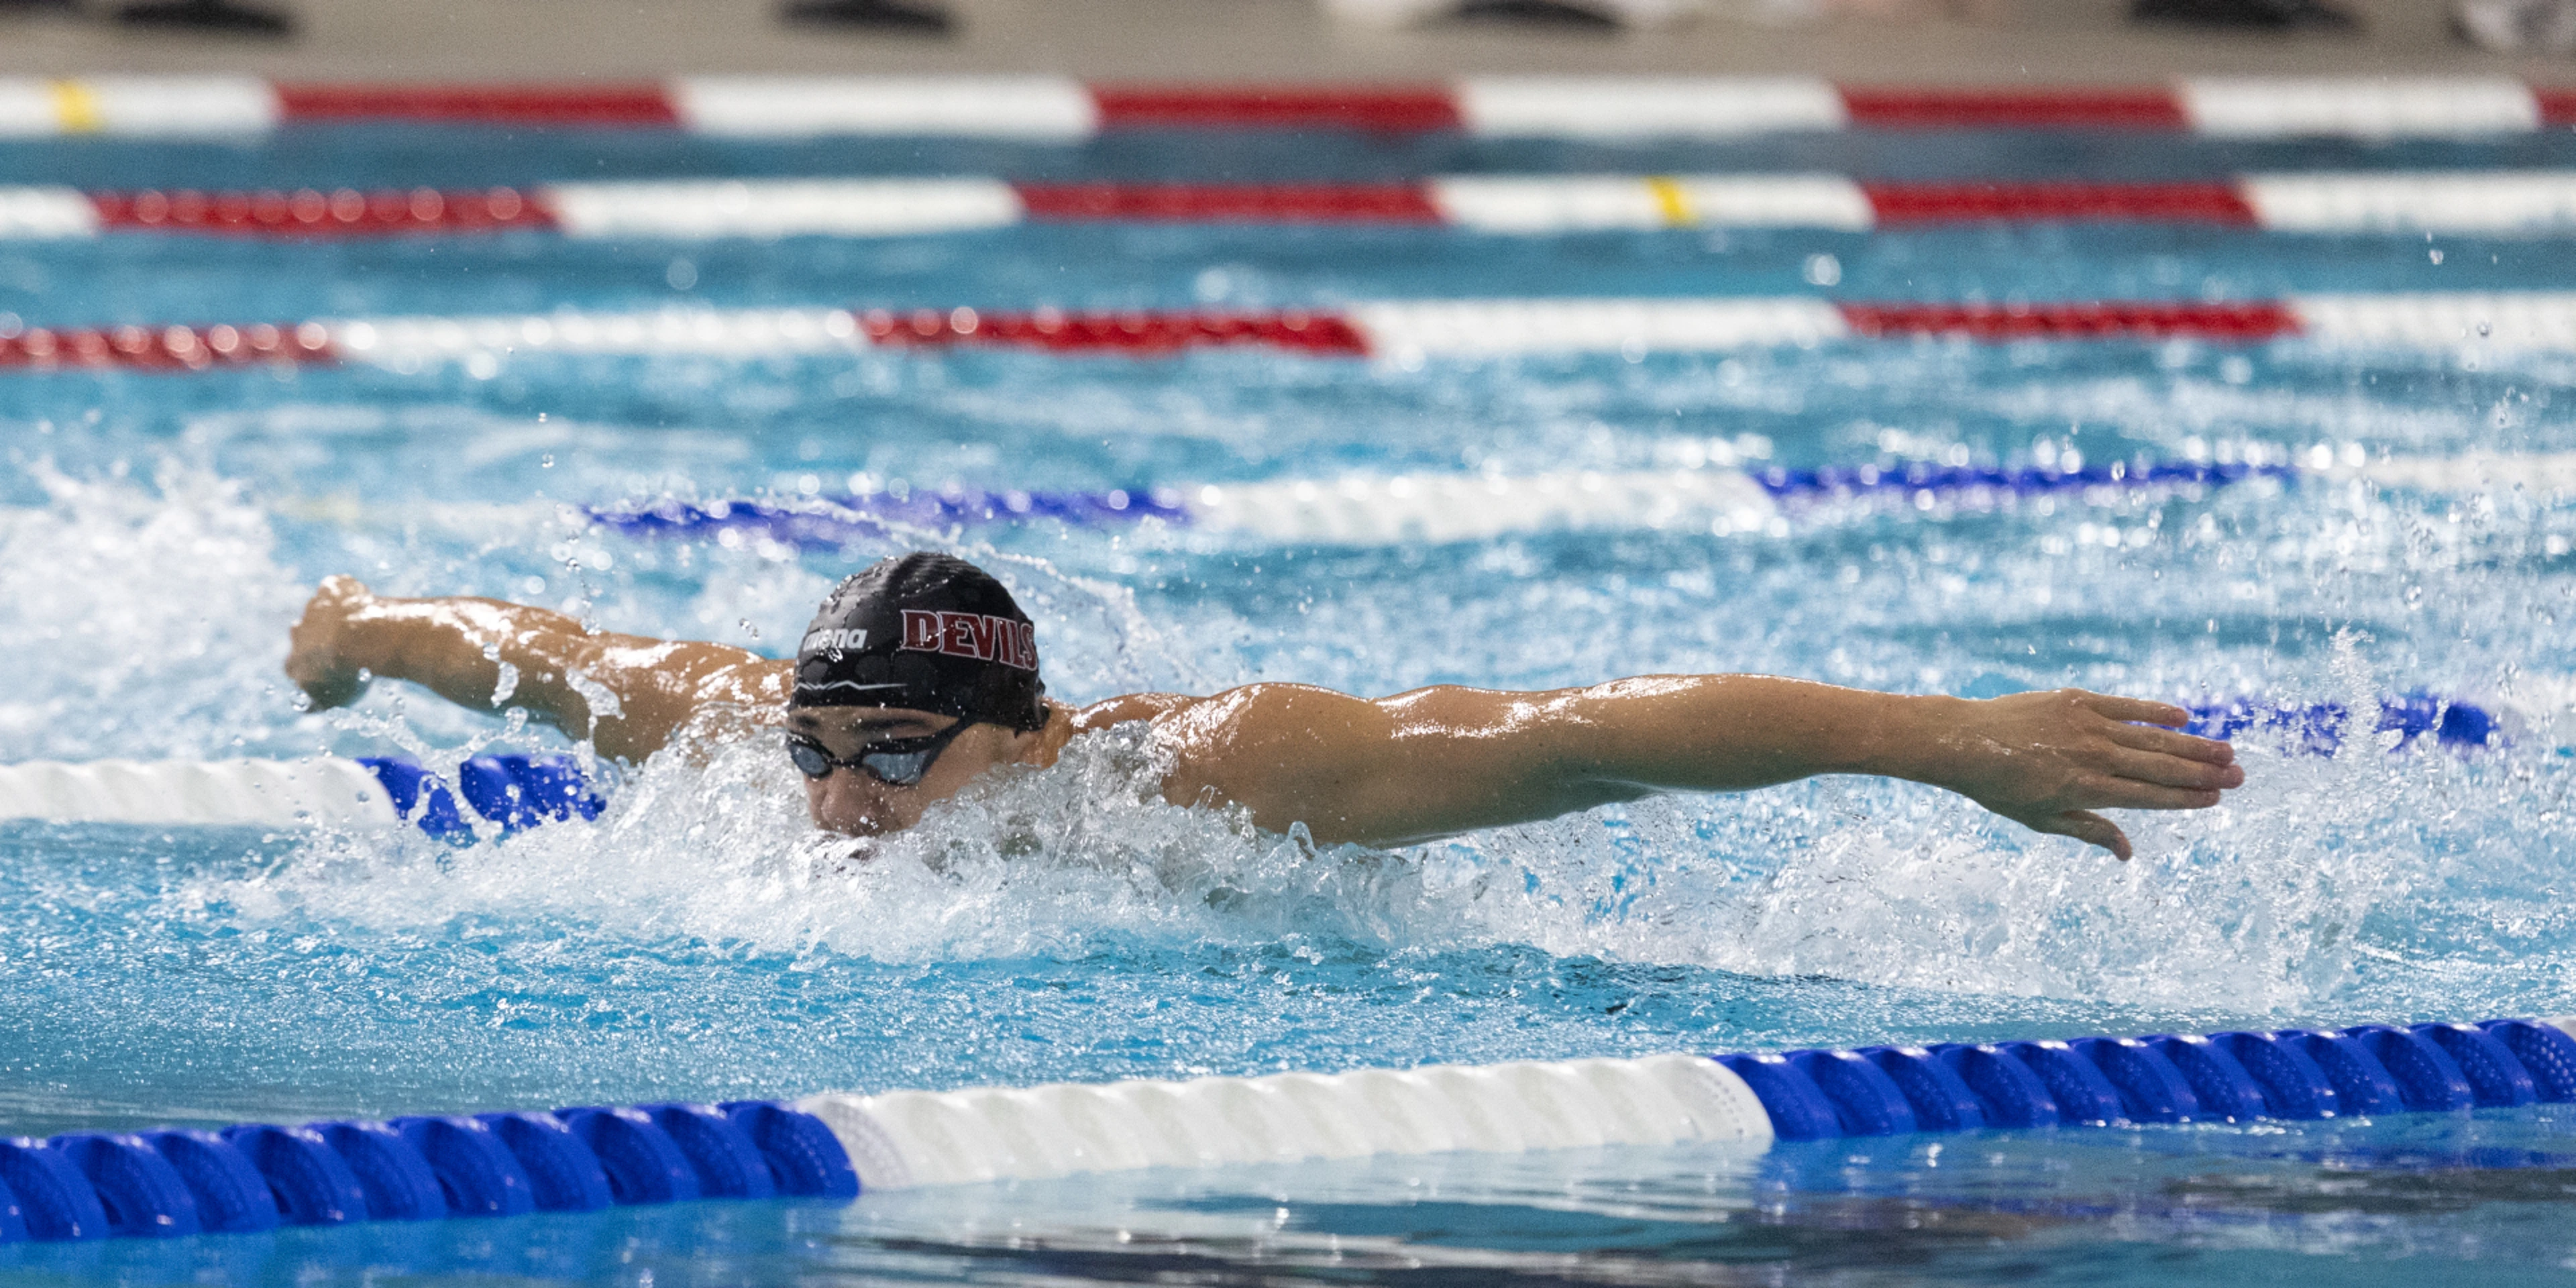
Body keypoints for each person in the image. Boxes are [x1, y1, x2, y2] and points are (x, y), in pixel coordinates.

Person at [284, 551, 2243, 859]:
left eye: (894, 757)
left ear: (1032, 738)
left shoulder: (1206, 781)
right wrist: (359, 625)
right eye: (819, 753)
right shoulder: (758, 735)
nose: (839, 809)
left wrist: (1945, 735)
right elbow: (541, 653)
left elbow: (1571, 732)